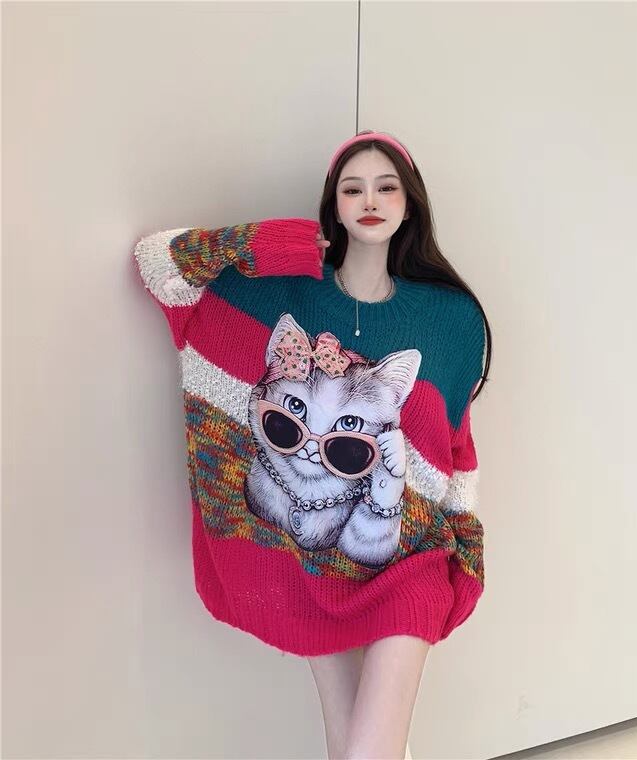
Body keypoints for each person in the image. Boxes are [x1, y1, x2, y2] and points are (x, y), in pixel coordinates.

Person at [132, 129, 492, 760]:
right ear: (335, 205)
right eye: (353, 189)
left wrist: (465, 540)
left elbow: (454, 447)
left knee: (372, 749)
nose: (370, 200)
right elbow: (157, 264)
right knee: (353, 747)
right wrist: (262, 244)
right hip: (311, 561)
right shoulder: (283, 291)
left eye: (387, 187)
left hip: (411, 558)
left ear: (410, 202)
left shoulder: (452, 318)